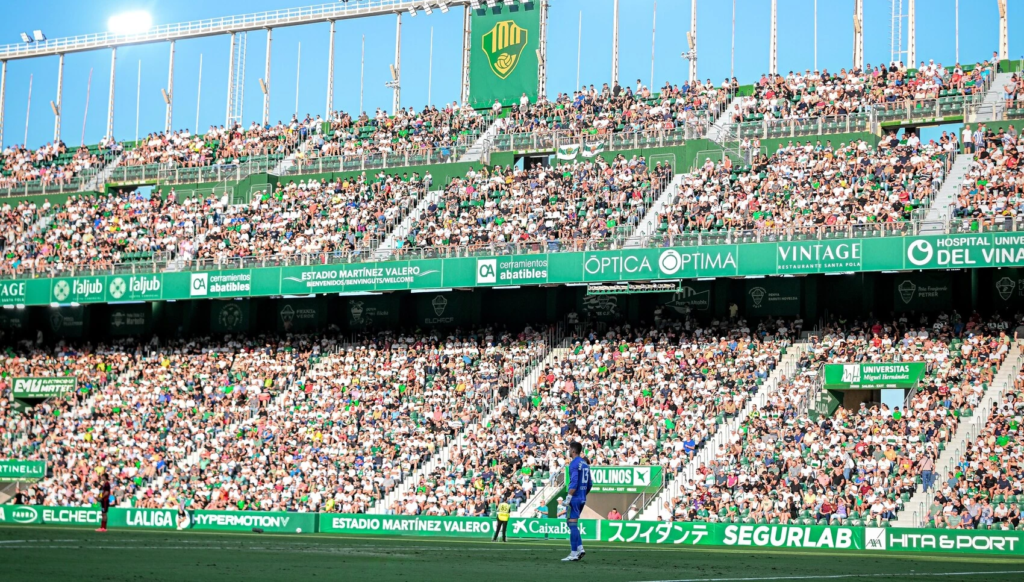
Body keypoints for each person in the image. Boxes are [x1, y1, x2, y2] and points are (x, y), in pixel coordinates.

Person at [562, 441, 591, 562]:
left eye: (569, 449)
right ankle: (580, 548)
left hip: (574, 498)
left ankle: (574, 553)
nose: (568, 451)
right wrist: (583, 494)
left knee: (572, 524)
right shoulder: (585, 464)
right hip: (582, 497)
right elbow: (590, 483)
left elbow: (573, 482)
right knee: (571, 523)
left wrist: (569, 497)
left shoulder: (573, 464)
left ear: (573, 451)